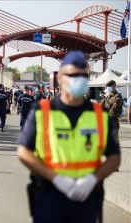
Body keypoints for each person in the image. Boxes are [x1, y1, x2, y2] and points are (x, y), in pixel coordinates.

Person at [17, 51, 120, 223]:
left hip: (85, 197)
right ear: (60, 78)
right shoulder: (43, 112)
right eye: (72, 75)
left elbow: (114, 157)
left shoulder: (99, 115)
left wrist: (92, 179)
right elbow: (23, 151)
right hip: (49, 194)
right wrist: (56, 178)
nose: (78, 80)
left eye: (82, 75)